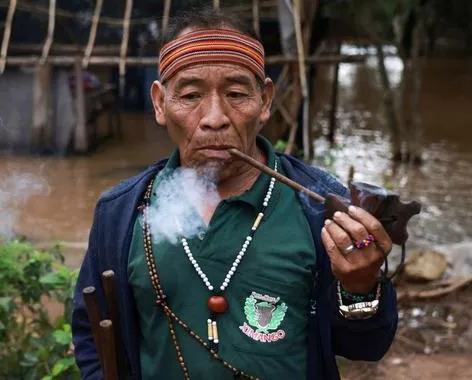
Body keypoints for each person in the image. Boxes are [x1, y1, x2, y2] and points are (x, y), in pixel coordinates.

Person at [72, 7, 397, 380]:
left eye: (237, 93)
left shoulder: (319, 208)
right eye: (191, 95)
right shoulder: (121, 213)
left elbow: (366, 348)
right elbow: (93, 334)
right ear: (161, 104)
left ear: (265, 101)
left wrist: (360, 287)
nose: (214, 117)